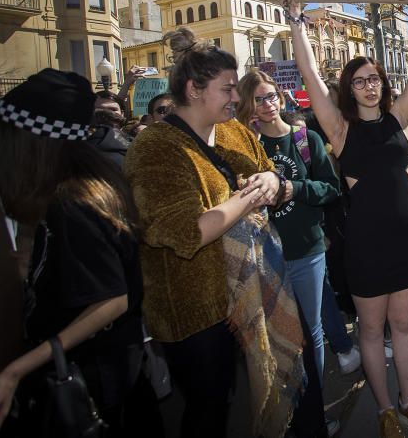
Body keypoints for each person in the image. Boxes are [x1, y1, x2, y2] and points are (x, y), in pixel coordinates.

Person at [124, 28, 306, 438]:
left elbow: (270, 174)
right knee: (209, 409)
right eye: (227, 89)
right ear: (193, 89)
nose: (236, 98)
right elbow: (186, 231)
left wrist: (271, 184)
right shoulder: (154, 150)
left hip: (251, 294)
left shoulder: (233, 131)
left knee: (268, 383)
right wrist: (250, 196)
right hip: (195, 315)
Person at [287, 0, 408, 438]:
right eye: (359, 81)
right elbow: (309, 72)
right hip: (365, 246)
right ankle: (382, 409)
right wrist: (296, 20)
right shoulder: (339, 130)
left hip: (406, 239)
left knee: (404, 323)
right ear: (348, 89)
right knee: (372, 330)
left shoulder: (400, 118)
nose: (369, 85)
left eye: (374, 78)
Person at [0, 70, 162, 436]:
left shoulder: (74, 203)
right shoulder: (81, 188)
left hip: (97, 384)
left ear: (29, 142)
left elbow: (111, 300)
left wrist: (17, 369)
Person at [235, 70, 360, 384]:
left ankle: (313, 414)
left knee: (310, 330)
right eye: (258, 99)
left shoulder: (305, 138)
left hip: (306, 250)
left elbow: (331, 188)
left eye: (271, 96)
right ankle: (288, 409)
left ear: (280, 95)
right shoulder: (245, 146)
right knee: (275, 336)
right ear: (247, 106)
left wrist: (296, 188)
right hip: (263, 255)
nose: (267, 104)